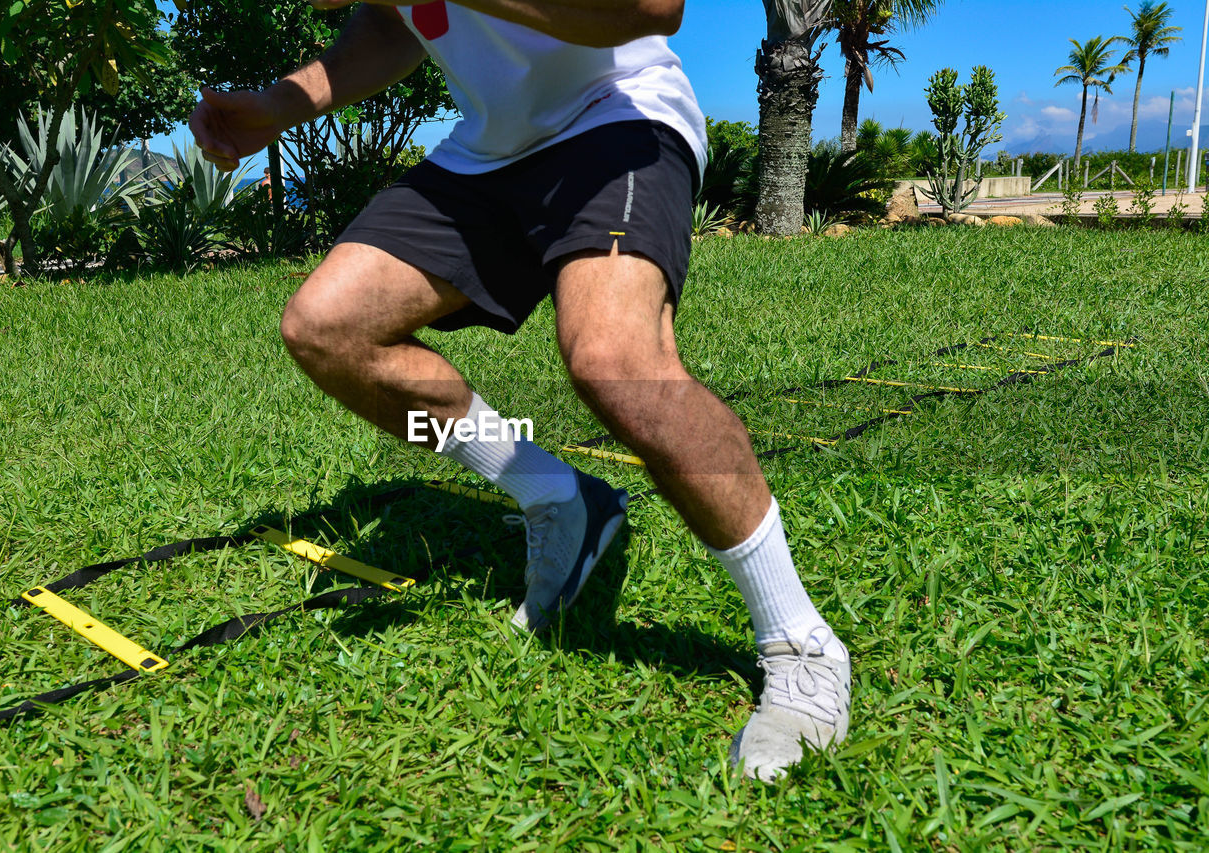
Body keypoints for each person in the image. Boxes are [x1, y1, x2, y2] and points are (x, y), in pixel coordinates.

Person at [188, 0, 849, 783]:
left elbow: (651, 10)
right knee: (327, 327)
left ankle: (799, 638)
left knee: (613, 362)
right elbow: (394, 23)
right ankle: (558, 496)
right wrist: (280, 104)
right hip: (492, 151)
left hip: (620, 117)